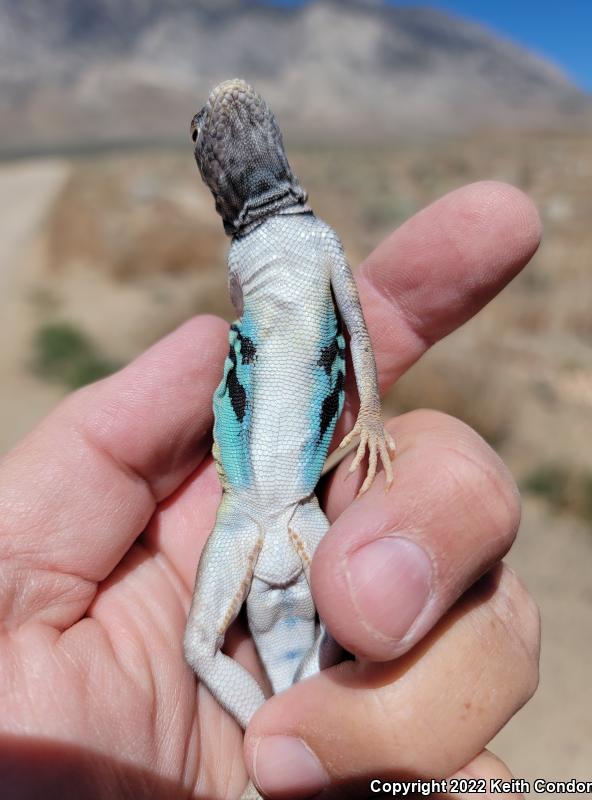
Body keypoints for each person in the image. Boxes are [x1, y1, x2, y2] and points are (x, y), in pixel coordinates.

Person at [0, 181, 541, 800]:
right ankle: (274, 741)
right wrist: (268, 750)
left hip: (291, 511)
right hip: (241, 520)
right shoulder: (254, 257)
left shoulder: (315, 241)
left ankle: (298, 734)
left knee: (356, 610)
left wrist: (368, 416)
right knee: (200, 646)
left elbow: (360, 335)